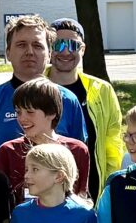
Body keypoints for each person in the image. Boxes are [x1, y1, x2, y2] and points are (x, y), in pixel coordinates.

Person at [0, 15, 92, 151]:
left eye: (37, 45)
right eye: (21, 45)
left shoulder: (67, 100)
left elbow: (78, 154)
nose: (29, 52)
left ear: (49, 54)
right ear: (8, 53)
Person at [47, 17, 123, 176]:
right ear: (49, 48)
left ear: (83, 49)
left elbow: (113, 142)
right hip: (47, 186)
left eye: (73, 45)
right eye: (58, 44)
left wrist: (110, 183)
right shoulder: (34, 89)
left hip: (92, 186)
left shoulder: (102, 90)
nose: (66, 51)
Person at [0, 78, 93, 197]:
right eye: (18, 112)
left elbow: (82, 196)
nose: (22, 119)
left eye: (30, 112)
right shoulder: (8, 150)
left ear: (52, 113)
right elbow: (1, 198)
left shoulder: (77, 150)